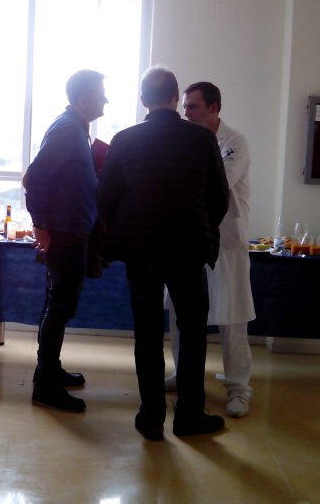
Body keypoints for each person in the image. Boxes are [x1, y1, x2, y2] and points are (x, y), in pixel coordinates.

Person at [97, 67, 229, 440]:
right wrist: (202, 227)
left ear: (143, 100)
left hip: (141, 250)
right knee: (193, 332)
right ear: (175, 97)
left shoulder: (124, 140)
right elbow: (219, 197)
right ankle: (189, 415)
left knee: (147, 333)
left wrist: (125, 230)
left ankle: (151, 416)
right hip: (188, 248)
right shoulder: (202, 139)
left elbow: (105, 199)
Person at [166, 81, 255, 418]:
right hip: (188, 240)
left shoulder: (234, 142)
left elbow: (220, 183)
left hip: (226, 242)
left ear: (214, 108)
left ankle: (238, 388)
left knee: (232, 318)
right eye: (184, 107)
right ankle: (182, 374)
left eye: (193, 107)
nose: (186, 113)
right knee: (181, 313)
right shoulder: (185, 140)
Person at [22, 69, 107, 412]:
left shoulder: (75, 129)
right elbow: (34, 178)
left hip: (72, 230)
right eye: (100, 94)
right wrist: (40, 224)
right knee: (60, 306)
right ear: (83, 100)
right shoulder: (68, 129)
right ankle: (46, 386)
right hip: (65, 233)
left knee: (57, 303)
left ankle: (49, 369)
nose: (105, 99)